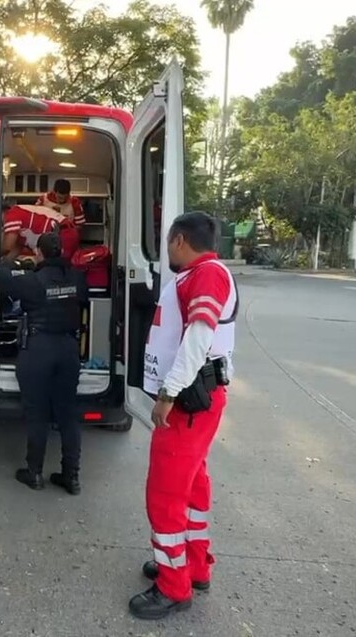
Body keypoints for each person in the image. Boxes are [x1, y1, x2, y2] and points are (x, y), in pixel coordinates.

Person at [128, 212, 238, 620]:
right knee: (192, 487)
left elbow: (199, 334)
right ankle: (193, 565)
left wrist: (168, 393)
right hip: (199, 400)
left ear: (178, 239)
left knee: (166, 495)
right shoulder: (201, 274)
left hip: (188, 402)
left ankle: (174, 587)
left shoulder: (206, 275)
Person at [0, 232, 88, 494]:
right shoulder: (77, 278)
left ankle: (34, 473)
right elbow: (82, 299)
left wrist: (17, 261)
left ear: (40, 253)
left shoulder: (32, 281)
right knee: (68, 415)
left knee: (37, 415)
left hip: (38, 349)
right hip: (68, 348)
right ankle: (72, 477)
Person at [1, 203, 79, 262]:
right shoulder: (21, 215)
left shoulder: (11, 214)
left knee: (54, 270)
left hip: (61, 234)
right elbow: (16, 249)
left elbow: (8, 246)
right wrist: (4, 263)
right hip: (66, 232)